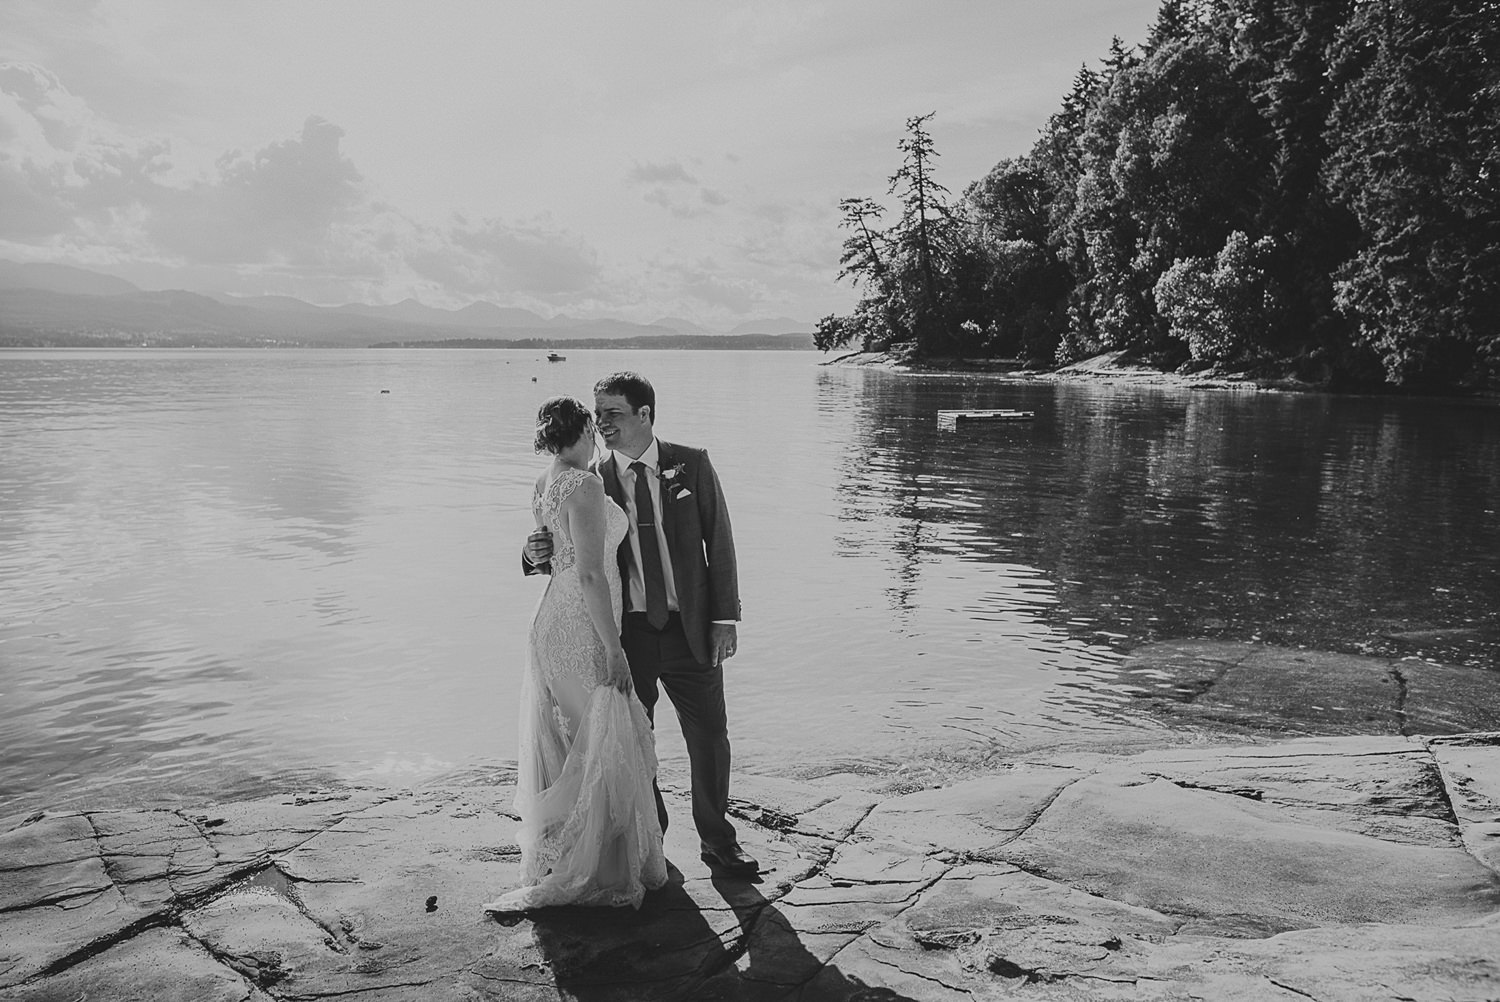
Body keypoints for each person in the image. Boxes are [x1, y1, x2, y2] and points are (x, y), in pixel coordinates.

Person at [523, 371, 758, 878]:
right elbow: (564, 556)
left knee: (710, 736)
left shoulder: (691, 465)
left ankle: (719, 840)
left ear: (645, 414)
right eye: (597, 414)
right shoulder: (589, 477)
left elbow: (720, 542)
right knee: (633, 740)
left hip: (690, 627)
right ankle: (653, 839)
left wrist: (724, 617)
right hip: (628, 634)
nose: (601, 423)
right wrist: (530, 551)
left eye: (613, 413)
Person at [484, 395, 666, 913]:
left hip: (551, 619)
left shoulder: (544, 481)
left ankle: (571, 856)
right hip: (581, 627)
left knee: (571, 742)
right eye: (595, 425)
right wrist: (615, 650)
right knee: (597, 742)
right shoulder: (584, 483)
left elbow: (551, 555)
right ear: (584, 429)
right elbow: (588, 573)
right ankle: (599, 871)